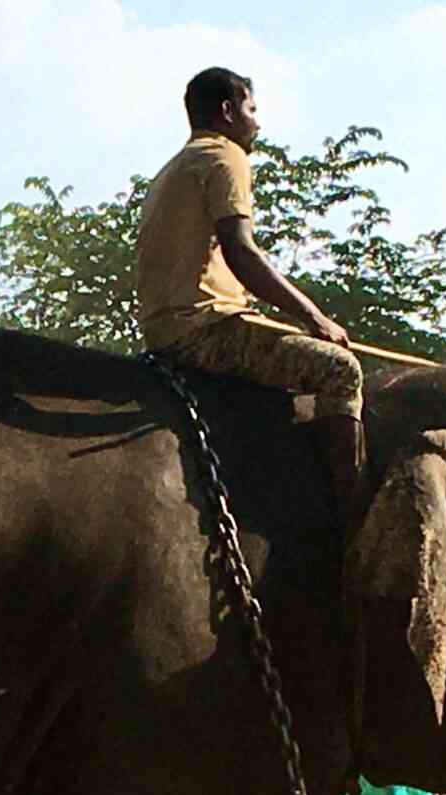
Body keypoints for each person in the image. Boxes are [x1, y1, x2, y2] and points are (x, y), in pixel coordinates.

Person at [135, 66, 366, 513]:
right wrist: (314, 318)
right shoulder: (226, 157)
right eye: (252, 109)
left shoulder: (174, 167)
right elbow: (243, 254)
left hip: (164, 330)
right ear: (227, 111)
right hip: (204, 332)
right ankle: (355, 517)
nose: (258, 122)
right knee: (341, 371)